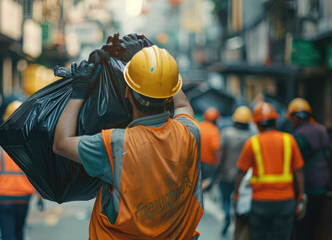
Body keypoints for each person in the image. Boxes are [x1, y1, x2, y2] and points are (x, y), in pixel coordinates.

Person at [53, 45, 203, 239]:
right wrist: (158, 66)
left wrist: (79, 92)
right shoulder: (190, 133)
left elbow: (61, 143)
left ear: (127, 93)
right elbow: (182, 104)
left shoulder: (115, 144)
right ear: (168, 96)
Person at [234, 102, 305, 240]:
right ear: (275, 122)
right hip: (285, 202)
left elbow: (241, 172)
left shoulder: (252, 142)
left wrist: (236, 195)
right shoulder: (289, 140)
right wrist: (301, 195)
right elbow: (299, 171)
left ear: (257, 124)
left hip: (260, 203)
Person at [0, 100, 37, 240]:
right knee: (19, 232)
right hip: (23, 197)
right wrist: (40, 196)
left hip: (3, 198)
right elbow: (36, 175)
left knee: (8, 235)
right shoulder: (28, 147)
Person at [286, 98, 330, 240]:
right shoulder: (322, 130)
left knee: (302, 226)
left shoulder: (298, 136)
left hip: (307, 187)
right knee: (317, 226)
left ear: (296, 117)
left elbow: (294, 166)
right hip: (323, 186)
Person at [216, 106, 252, 236]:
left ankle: (227, 213)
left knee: (225, 199)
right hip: (243, 178)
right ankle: (236, 219)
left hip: (225, 174)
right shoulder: (251, 136)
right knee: (239, 200)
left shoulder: (226, 133)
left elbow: (220, 155)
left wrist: (216, 172)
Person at [199, 107, 220, 181]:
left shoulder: (198, 126)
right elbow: (216, 150)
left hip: (196, 162)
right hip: (208, 165)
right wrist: (217, 166)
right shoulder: (214, 130)